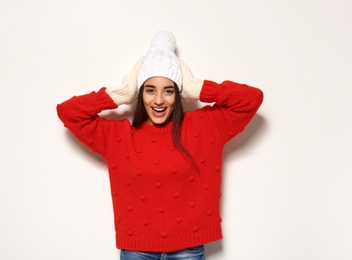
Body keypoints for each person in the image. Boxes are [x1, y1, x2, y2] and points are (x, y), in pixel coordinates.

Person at [56, 31, 263, 260]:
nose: (158, 101)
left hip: (189, 250)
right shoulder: (119, 136)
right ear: (139, 92)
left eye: (169, 90)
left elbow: (251, 99)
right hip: (136, 251)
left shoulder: (204, 126)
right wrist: (120, 94)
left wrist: (197, 87)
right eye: (150, 90)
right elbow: (68, 112)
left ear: (179, 93)